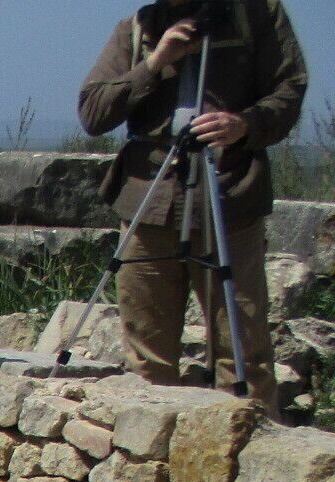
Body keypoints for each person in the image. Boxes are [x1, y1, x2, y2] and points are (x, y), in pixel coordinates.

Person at [78, 0, 310, 411]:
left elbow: (289, 88)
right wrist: (155, 62)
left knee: (242, 353)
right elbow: (93, 114)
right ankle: (148, 441)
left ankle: (247, 437)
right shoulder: (137, 28)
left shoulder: (255, 14)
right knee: (146, 358)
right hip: (149, 201)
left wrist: (245, 124)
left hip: (228, 197)